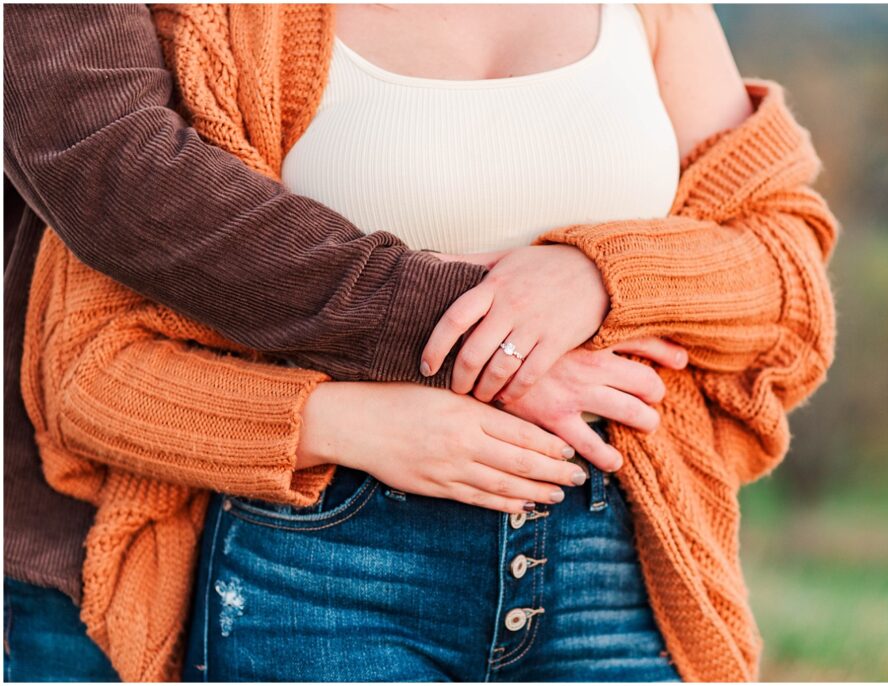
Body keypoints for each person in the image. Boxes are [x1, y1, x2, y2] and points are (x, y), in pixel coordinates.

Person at [16, 3, 839, 682]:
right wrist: (350, 420)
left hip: (617, 563)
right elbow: (94, 369)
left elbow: (786, 267)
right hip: (326, 568)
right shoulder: (224, 25)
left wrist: (595, 277)